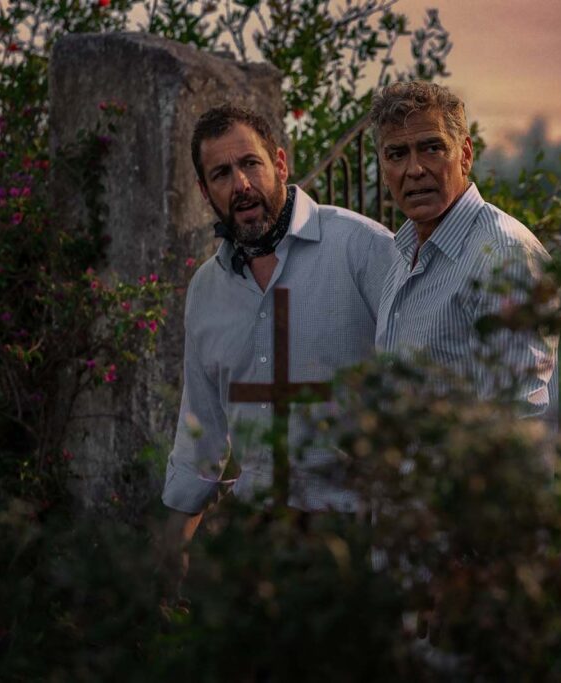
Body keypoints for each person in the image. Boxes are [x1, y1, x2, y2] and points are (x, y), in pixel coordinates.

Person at [161, 103, 395, 567]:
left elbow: (416, 383)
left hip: (355, 537)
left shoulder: (362, 248)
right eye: (222, 174)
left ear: (281, 164)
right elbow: (201, 431)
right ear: (205, 192)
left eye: (251, 163)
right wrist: (171, 550)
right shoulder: (206, 290)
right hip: (256, 543)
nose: (241, 185)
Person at [371, 81, 558, 424]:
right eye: (397, 154)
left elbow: (520, 416)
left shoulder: (505, 256)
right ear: (384, 168)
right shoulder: (404, 252)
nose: (414, 170)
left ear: (466, 155)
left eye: (432, 148)